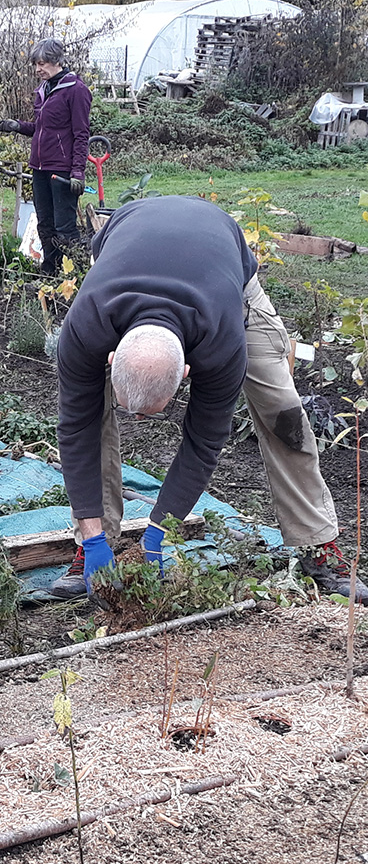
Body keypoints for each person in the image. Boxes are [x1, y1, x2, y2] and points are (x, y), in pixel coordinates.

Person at [49, 194, 368, 603]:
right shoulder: (86, 327)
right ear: (110, 356)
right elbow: (75, 428)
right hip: (123, 250)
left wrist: (160, 531)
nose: (141, 423)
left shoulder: (222, 344)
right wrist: (93, 538)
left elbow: (204, 443)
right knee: (91, 419)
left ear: (188, 372)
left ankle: (317, 543)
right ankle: (93, 542)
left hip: (226, 279)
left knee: (282, 413)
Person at [0, 38, 92, 275]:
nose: (38, 69)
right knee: (45, 224)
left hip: (61, 169)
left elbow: (81, 135)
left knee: (65, 228)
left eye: (42, 63)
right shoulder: (44, 90)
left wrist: (77, 171)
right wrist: (17, 126)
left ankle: (77, 274)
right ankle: (50, 272)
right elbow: (42, 129)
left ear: (57, 61)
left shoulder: (76, 90)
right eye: (36, 64)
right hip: (39, 168)